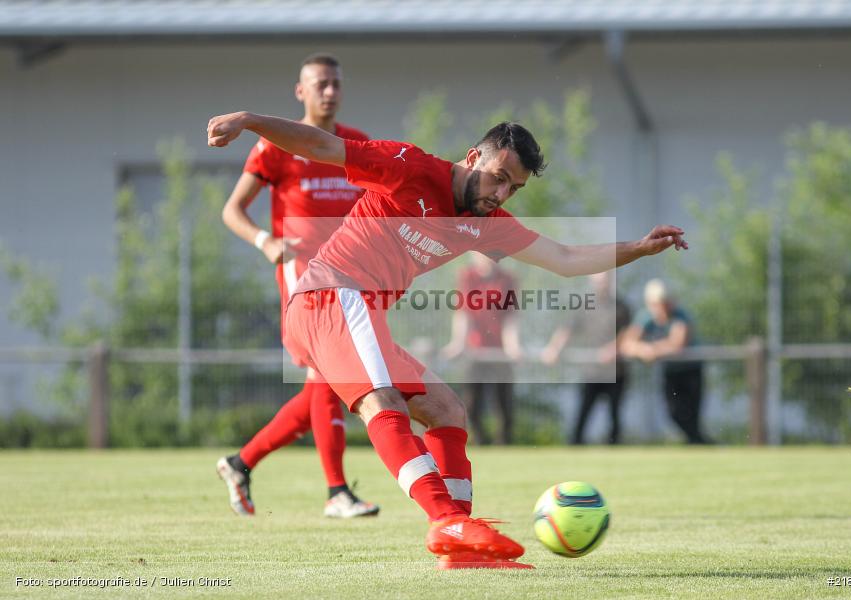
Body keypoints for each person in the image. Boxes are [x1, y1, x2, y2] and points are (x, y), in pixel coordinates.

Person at [207, 109, 688, 569]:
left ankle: (460, 546)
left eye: (515, 188)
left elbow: (564, 259)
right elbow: (320, 145)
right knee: (382, 402)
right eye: (499, 177)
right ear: (474, 157)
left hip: (357, 310)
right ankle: (447, 522)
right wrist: (251, 121)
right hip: (330, 295)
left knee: (447, 410)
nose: (502, 193)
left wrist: (640, 248)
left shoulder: (485, 224)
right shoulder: (408, 165)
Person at [215, 53, 378, 519]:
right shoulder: (276, 145)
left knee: (320, 391)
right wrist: (265, 241)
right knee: (327, 377)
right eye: (320, 83)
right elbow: (232, 210)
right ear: (300, 91)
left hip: (349, 281)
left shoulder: (355, 143)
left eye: (336, 83)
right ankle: (336, 493)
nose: (330, 91)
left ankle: (240, 463)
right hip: (303, 278)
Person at [541, 272, 631, 445]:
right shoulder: (583, 306)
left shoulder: (621, 307)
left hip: (616, 371)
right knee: (582, 414)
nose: (601, 284)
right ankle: (575, 446)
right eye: (598, 281)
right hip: (591, 372)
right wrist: (554, 348)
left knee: (614, 415)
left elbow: (628, 334)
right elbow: (567, 329)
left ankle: (615, 450)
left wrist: (613, 349)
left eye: (605, 281)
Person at [442, 253, 522, 445]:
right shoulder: (467, 276)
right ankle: (481, 442)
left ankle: (503, 445)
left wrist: (513, 346)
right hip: (475, 352)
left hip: (500, 353)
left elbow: (511, 316)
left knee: (504, 404)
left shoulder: (507, 279)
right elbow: (464, 312)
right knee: (471, 404)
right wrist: (458, 343)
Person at [620, 279, 710, 444]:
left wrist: (652, 349)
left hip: (691, 370)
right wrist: (643, 350)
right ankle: (700, 442)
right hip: (671, 371)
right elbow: (627, 344)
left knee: (691, 414)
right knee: (673, 413)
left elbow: (677, 344)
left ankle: (698, 442)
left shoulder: (680, 316)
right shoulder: (646, 317)